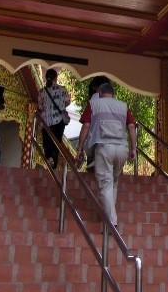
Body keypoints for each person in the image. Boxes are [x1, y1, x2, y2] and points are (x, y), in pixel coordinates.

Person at [76, 81, 137, 227]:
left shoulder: (94, 104)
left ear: (100, 93)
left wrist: (79, 148)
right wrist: (133, 148)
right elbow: (131, 127)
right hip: (122, 148)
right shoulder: (123, 106)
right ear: (113, 94)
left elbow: (86, 126)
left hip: (104, 147)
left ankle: (111, 222)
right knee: (114, 180)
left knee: (105, 184)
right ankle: (110, 215)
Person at [37, 68, 71, 169]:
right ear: (56, 77)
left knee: (47, 141)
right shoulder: (62, 89)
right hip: (59, 120)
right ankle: (54, 164)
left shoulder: (42, 91)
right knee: (57, 141)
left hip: (46, 120)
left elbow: (40, 107)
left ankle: (49, 157)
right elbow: (67, 102)